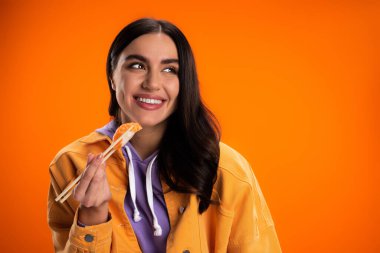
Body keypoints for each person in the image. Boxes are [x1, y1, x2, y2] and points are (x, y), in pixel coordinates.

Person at [47, 18, 282, 253]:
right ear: (112, 75)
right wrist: (92, 217)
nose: (152, 83)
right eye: (137, 66)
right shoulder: (72, 164)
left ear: (184, 82)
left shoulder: (227, 169)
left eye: (169, 70)